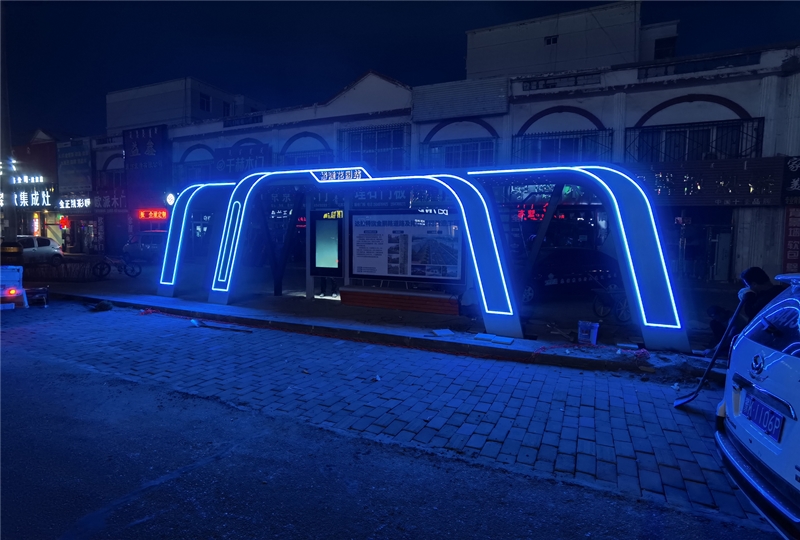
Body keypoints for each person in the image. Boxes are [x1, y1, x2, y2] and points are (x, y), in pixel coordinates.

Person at [704, 267, 784, 356]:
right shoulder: (781, 291)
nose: (748, 288)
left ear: (754, 284)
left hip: (766, 339)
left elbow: (751, 312)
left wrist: (748, 298)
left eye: (748, 285)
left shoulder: (765, 298)